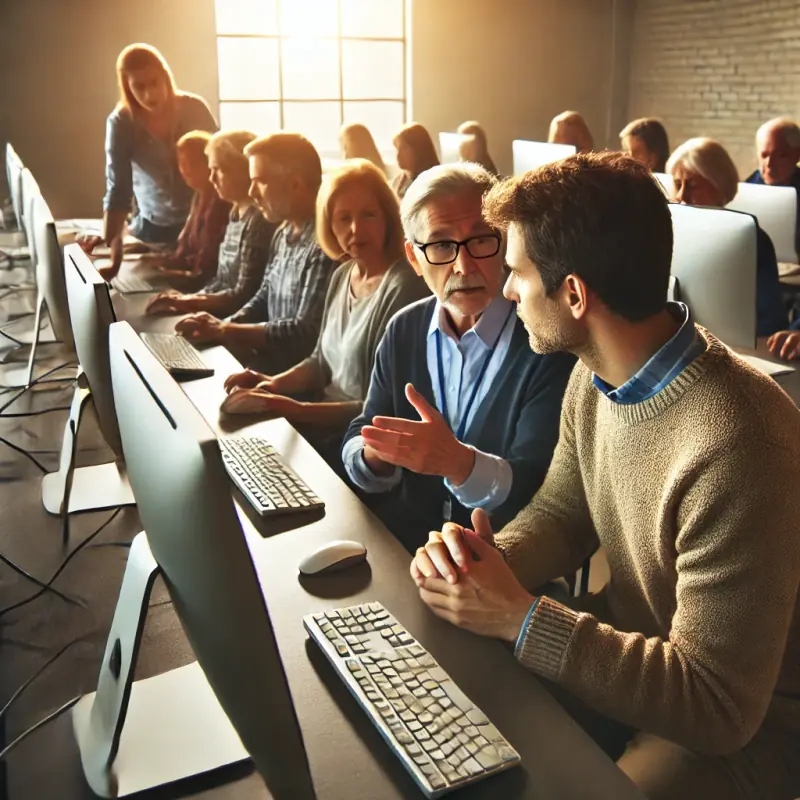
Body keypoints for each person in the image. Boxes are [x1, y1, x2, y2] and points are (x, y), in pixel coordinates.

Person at [409, 152, 800, 800]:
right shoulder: (598, 377)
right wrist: (482, 563)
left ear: (573, 294)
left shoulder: (737, 443)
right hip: (642, 666)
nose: (506, 290)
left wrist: (519, 617)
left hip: (752, 732)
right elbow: (563, 511)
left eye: (517, 274)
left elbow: (718, 706)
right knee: (453, 714)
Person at [341, 163, 575, 552]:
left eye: (482, 240)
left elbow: (542, 491)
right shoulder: (404, 329)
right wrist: (375, 455)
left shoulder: (543, 339)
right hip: (406, 551)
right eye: (442, 246)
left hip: (503, 560)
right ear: (414, 259)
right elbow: (362, 430)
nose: (464, 266)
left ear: (508, 242)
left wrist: (458, 463)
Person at [221, 159, 428, 457]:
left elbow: (383, 408)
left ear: (388, 219)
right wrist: (271, 384)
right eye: (344, 218)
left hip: (358, 441)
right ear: (329, 226)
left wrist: (295, 408)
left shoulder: (403, 286)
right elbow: (320, 362)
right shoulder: (343, 274)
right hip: (320, 422)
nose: (356, 229)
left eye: (368, 215)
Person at [175, 133, 336, 375]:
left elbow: (303, 332)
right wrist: (223, 324)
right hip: (263, 367)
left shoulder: (325, 243)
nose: (252, 192)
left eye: (260, 181)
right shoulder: (283, 232)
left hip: (290, 379)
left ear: (295, 184)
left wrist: (224, 330)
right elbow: (263, 296)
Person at [97, 43, 218, 280]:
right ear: (127, 87)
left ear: (166, 77)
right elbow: (118, 191)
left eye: (154, 83)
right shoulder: (122, 123)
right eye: (139, 87)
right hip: (154, 228)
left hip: (204, 225)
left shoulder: (194, 109)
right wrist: (112, 258)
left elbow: (220, 169)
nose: (149, 95)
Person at [146, 130, 275, 318]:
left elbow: (243, 294)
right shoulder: (235, 211)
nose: (211, 178)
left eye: (219, 170)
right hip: (216, 314)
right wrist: (188, 300)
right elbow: (220, 280)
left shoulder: (258, 221)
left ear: (242, 169)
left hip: (234, 322)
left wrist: (188, 303)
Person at [667, 137, 786, 337]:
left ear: (720, 186)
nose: (681, 195)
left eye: (693, 185)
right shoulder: (665, 234)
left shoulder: (752, 240)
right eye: (677, 184)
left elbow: (771, 322)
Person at [149, 130, 232, 291]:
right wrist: (153, 262)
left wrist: (169, 275)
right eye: (181, 163)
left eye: (192, 163)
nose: (184, 170)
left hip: (207, 289)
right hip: (192, 283)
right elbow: (184, 249)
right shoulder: (198, 197)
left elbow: (207, 270)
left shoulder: (224, 204)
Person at [745, 117, 800, 257]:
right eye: (764, 155)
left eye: (780, 156)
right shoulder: (745, 190)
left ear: (797, 155)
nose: (769, 164)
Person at [391, 122, 440, 199]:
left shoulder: (433, 184)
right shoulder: (397, 182)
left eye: (404, 148)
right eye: (397, 148)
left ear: (418, 150)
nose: (398, 154)